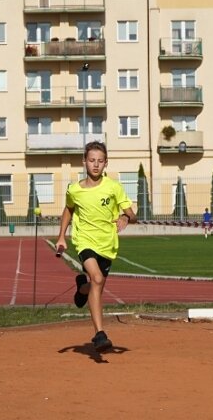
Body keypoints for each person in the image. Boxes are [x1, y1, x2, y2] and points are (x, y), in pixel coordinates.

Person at [56, 141, 136, 352]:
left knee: (95, 288)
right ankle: (100, 334)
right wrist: (62, 236)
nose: (95, 165)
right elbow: (68, 211)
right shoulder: (74, 190)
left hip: (107, 244)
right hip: (84, 241)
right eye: (91, 160)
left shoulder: (113, 187)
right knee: (97, 279)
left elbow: (132, 214)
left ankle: (81, 288)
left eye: (100, 161)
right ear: (84, 162)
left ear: (106, 163)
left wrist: (125, 218)